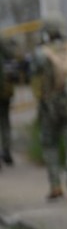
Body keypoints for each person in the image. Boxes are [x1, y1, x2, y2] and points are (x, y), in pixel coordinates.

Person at [29, 13, 67, 199]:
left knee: (50, 145)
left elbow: (32, 76)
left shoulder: (40, 54)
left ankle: (55, 186)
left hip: (48, 107)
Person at [0, 34, 17, 166]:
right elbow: (12, 55)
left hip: (4, 88)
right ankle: (6, 151)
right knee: (5, 120)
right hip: (4, 87)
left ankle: (5, 151)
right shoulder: (3, 39)